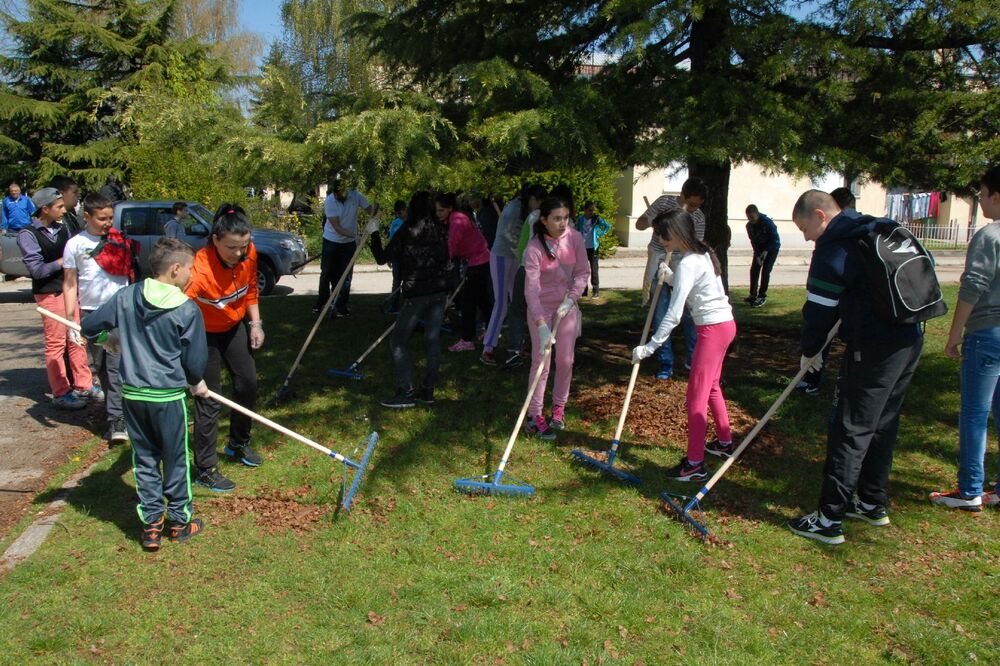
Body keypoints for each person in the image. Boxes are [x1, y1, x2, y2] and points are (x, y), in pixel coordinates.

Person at [786, 190, 923, 545]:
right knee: (883, 422)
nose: (806, 237)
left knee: (852, 427)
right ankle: (871, 502)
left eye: (805, 228)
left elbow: (818, 313)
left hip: (875, 346)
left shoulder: (834, 247)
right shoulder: (875, 227)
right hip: (909, 337)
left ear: (820, 215)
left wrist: (810, 354)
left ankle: (829, 518)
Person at [81, 238, 209, 551]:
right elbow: (194, 361)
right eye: (190, 269)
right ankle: (179, 522)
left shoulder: (125, 297)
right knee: (176, 459)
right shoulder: (187, 309)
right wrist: (196, 382)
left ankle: (151, 525)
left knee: (146, 459)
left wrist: (106, 338)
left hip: (134, 397)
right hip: (168, 399)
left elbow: (90, 326)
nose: (192, 275)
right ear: (176, 269)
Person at [633, 208, 736, 480]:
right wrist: (670, 277)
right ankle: (725, 442)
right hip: (726, 325)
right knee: (711, 387)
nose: (661, 240)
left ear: (676, 233)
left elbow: (675, 314)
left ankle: (694, 464)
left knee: (695, 397)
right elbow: (692, 286)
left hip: (712, 330)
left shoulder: (690, 261)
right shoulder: (701, 255)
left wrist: (650, 347)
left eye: (662, 235)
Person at [931, 166, 1000, 512]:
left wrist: (955, 333)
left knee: (975, 413)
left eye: (983, 194)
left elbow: (973, 287)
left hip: (987, 334)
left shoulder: (990, 236)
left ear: (996, 196)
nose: (981, 200)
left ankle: (970, 488)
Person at [185, 204, 265, 492]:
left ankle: (238, 444)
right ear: (215, 239)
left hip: (233, 327)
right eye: (232, 247)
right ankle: (205, 467)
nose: (240, 253)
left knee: (248, 383)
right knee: (209, 398)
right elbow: (177, 309)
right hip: (202, 335)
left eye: (244, 246)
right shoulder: (198, 269)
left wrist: (255, 324)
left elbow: (251, 288)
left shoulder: (250, 254)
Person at [62, 192, 132, 444]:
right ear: (87, 216)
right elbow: (70, 284)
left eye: (110, 218)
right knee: (102, 365)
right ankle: (118, 413)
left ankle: (117, 421)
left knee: (115, 366)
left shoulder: (119, 240)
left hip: (119, 313)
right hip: (92, 316)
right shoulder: (75, 245)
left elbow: (130, 276)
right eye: (102, 218)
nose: (107, 223)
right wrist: (72, 319)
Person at [369, 191, 450, 407]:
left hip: (417, 294)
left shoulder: (407, 231)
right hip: (439, 292)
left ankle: (406, 391)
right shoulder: (440, 230)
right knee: (432, 340)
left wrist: (374, 233)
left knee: (398, 341)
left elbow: (381, 257)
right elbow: (446, 260)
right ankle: (428, 391)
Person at [16, 187, 93, 410]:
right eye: (58, 206)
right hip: (49, 294)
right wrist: (64, 261)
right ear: (45, 209)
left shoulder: (64, 227)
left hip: (70, 291)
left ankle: (84, 385)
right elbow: (37, 271)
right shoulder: (28, 234)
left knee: (77, 339)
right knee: (56, 344)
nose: (63, 210)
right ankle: (61, 392)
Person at [522, 196, 590, 439]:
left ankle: (559, 408)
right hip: (541, 309)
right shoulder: (534, 248)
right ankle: (534, 416)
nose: (563, 223)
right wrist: (540, 323)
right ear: (544, 220)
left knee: (566, 360)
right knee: (541, 362)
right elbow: (531, 289)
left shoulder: (575, 239)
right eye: (557, 219)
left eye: (566, 218)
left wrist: (572, 299)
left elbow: (583, 273)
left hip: (566, 307)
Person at [635, 178, 707, 380]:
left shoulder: (698, 217)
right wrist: (656, 222)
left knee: (689, 315)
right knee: (660, 314)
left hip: (682, 264)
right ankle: (666, 364)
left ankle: (693, 361)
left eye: (698, 205)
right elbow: (640, 224)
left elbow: (695, 247)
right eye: (691, 204)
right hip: (659, 261)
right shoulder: (665, 203)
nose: (694, 209)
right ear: (682, 196)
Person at [482, 185, 546, 367]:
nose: (539, 206)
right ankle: (487, 348)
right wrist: (524, 253)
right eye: (538, 202)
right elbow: (507, 236)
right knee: (502, 303)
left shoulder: (526, 210)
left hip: (517, 258)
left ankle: (518, 344)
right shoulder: (513, 209)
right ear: (530, 198)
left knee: (519, 301)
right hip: (502, 256)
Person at [436, 192, 492, 352]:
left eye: (441, 210)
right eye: (437, 210)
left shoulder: (457, 221)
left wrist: (442, 262)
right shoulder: (453, 219)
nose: (438, 214)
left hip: (479, 261)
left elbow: (451, 245)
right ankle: (491, 331)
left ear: (449, 208)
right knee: (482, 300)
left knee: (469, 302)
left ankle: (467, 339)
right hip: (477, 260)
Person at [314, 178, 374, 317]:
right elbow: (337, 227)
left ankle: (341, 306)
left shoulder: (355, 196)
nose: (337, 196)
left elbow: (369, 209)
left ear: (346, 191)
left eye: (340, 193)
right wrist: (355, 235)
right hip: (331, 240)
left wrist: (375, 211)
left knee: (346, 276)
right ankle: (321, 303)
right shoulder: (330, 201)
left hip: (348, 245)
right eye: (335, 194)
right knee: (327, 273)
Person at [744, 204, 780, 307]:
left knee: (766, 270)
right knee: (754, 270)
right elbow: (753, 241)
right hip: (759, 249)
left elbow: (775, 239)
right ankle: (752, 295)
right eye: (748, 217)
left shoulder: (767, 223)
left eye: (752, 217)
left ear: (757, 214)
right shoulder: (749, 226)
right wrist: (758, 254)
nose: (750, 220)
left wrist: (766, 251)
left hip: (772, 249)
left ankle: (762, 295)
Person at [576, 201, 611, 298]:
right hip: (582, 248)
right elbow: (576, 230)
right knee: (583, 270)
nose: (592, 212)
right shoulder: (580, 219)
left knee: (594, 269)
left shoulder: (596, 219)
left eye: (593, 210)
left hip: (593, 248)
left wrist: (599, 233)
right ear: (585, 210)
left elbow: (607, 226)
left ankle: (596, 291)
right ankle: (584, 290)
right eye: (589, 210)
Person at [385, 199, 408, 314]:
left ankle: (409, 305)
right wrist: (389, 257)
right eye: (397, 213)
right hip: (397, 256)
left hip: (408, 256)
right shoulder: (395, 223)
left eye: (400, 213)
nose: (399, 215)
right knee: (396, 281)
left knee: (409, 281)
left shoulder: (411, 221)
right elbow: (391, 241)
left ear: (405, 210)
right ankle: (394, 306)